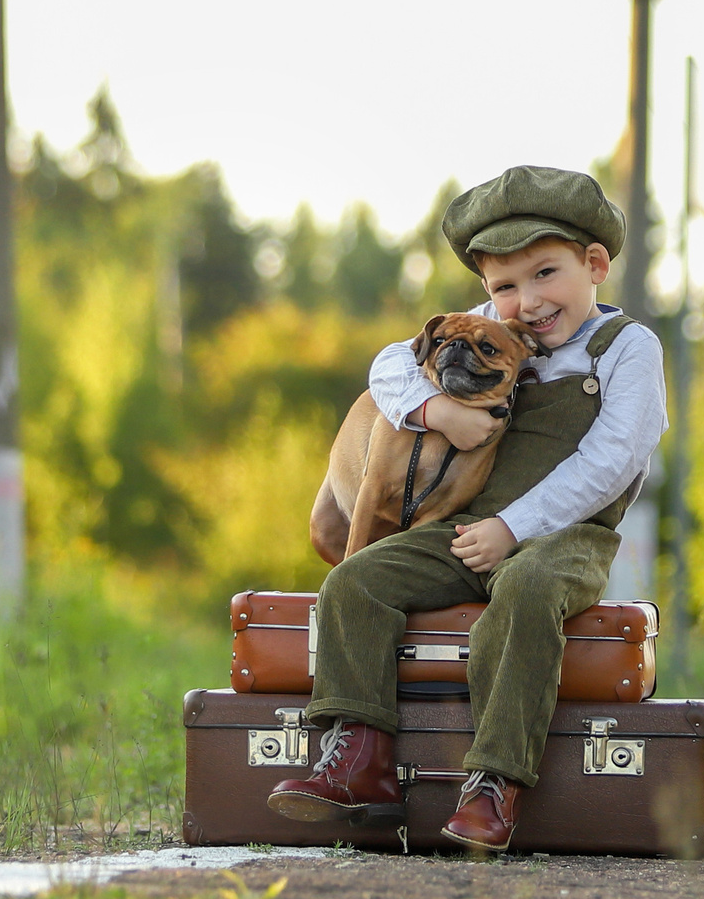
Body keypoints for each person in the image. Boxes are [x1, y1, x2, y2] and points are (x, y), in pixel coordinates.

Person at [266, 165, 666, 851]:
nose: (526, 302)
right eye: (504, 287)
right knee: (356, 580)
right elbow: (389, 364)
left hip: (564, 537)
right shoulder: (483, 329)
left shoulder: (628, 347)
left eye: (545, 274)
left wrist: (513, 528)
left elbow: (611, 461)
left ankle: (494, 783)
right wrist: (437, 411)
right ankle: (359, 761)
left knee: (529, 590)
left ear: (596, 265)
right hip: (466, 529)